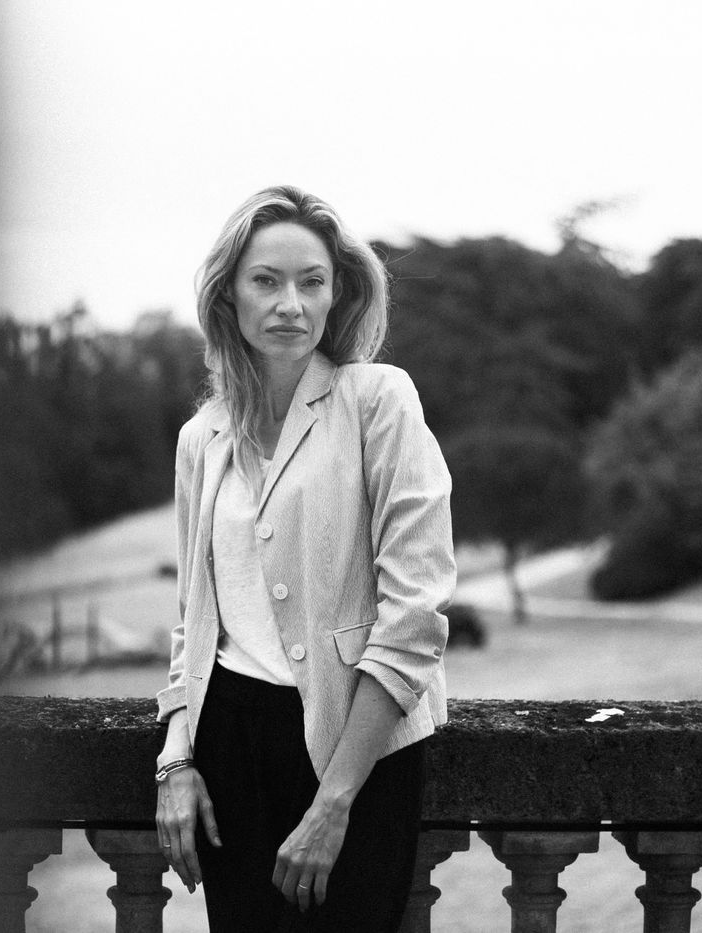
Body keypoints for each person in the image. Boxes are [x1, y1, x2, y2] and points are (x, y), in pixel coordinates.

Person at [153, 186, 455, 932]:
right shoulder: (201, 438)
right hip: (229, 746)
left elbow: (415, 613)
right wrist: (176, 758)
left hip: (360, 746)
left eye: (311, 282)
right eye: (266, 280)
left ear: (336, 293)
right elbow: (193, 621)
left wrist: (335, 800)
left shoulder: (378, 400)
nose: (290, 303)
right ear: (229, 294)